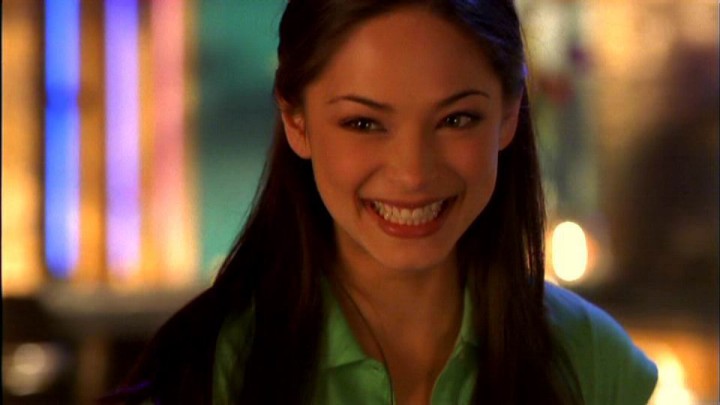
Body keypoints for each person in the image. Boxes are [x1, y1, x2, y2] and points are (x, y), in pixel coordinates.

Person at [106, 0, 657, 404]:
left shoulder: (588, 359)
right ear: (297, 121)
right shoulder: (208, 372)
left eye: (456, 119)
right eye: (364, 123)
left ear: (510, 114)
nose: (412, 173)